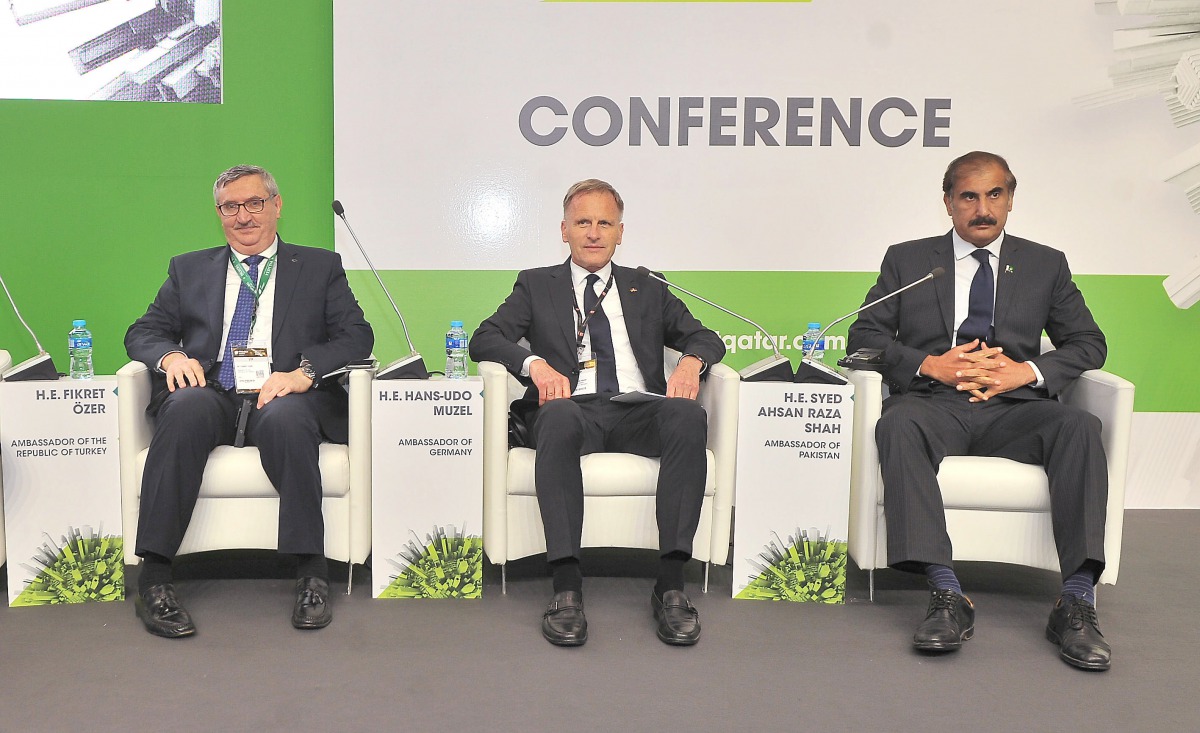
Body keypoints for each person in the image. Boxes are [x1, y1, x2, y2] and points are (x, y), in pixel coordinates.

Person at [846, 151, 1113, 671]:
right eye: (969, 196)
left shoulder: (1045, 264)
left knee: (1080, 426)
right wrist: (931, 365)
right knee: (896, 423)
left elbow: (1088, 343)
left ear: (1011, 200)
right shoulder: (908, 260)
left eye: (995, 195)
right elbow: (864, 337)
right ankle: (946, 593)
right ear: (948, 203)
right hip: (933, 404)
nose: (983, 209)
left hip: (1014, 409)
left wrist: (1024, 372)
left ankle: (1077, 601)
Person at [469, 179, 725, 647]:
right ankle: (566, 588)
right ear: (563, 230)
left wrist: (691, 362)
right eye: (583, 222)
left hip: (636, 410)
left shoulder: (648, 285)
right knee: (558, 416)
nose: (593, 233)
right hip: (572, 409)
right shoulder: (536, 284)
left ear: (620, 232)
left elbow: (706, 338)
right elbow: (484, 338)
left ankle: (671, 586)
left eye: (605, 223)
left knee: (688, 416)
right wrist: (534, 364)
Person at [125, 164, 373, 638]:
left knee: (288, 420)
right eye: (230, 207)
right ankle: (154, 578)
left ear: (276, 206)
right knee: (184, 409)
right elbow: (143, 331)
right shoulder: (188, 268)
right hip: (213, 389)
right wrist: (171, 356)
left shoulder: (319, 267)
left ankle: (311, 573)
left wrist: (304, 373)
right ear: (219, 214)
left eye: (254, 203)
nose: (243, 216)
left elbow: (356, 335)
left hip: (280, 390)